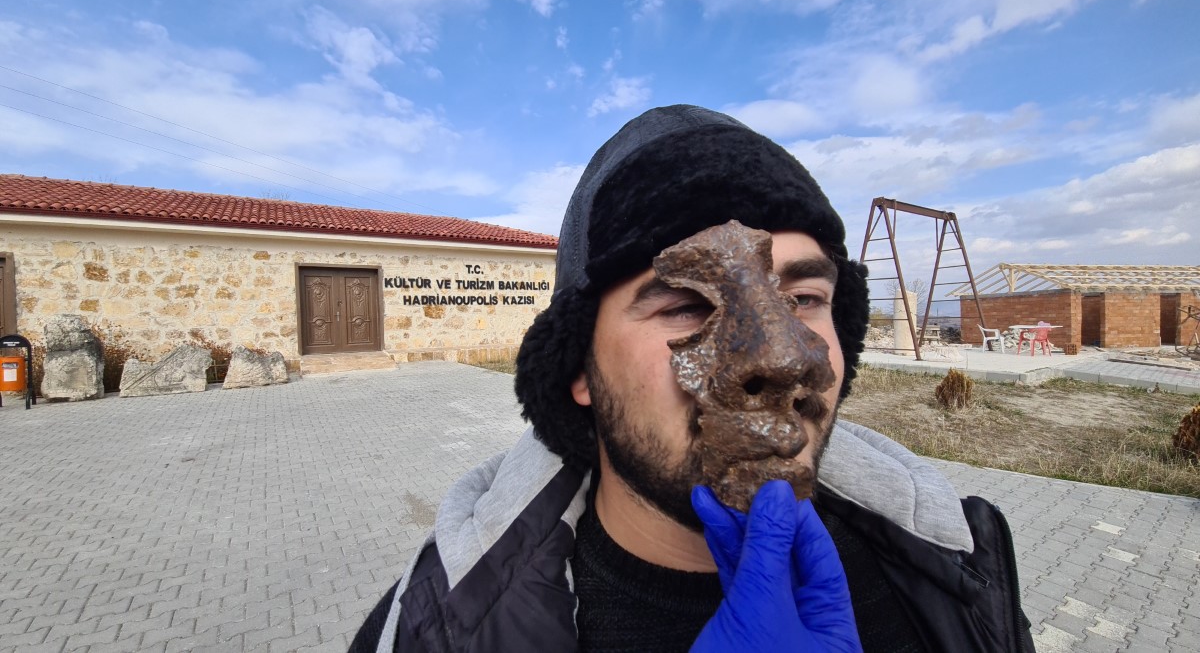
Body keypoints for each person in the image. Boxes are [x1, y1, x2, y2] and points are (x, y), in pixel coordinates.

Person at [350, 105, 1036, 652]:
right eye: (684, 304)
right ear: (579, 369)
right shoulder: (436, 628)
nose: (785, 357)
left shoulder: (961, 570)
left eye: (803, 299)